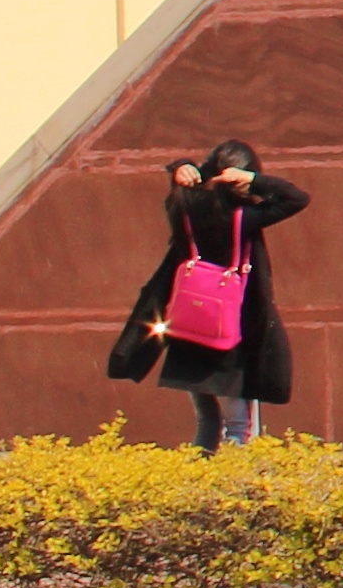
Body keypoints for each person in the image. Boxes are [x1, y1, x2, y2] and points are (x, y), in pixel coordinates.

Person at [105, 140, 307, 447]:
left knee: (207, 421)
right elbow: (296, 198)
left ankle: (202, 472)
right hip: (229, 334)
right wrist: (254, 180)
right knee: (239, 427)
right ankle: (234, 476)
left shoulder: (185, 210)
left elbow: (181, 190)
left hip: (189, 328)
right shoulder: (244, 217)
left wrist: (181, 168)